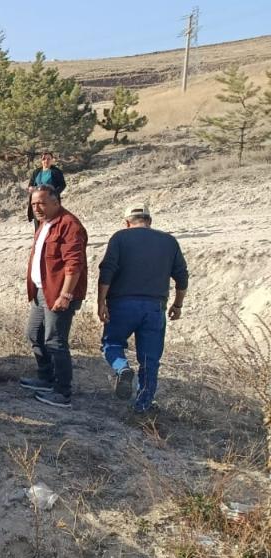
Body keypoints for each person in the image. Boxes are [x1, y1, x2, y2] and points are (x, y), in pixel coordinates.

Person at [96, 201, 189, 413]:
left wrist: (101, 302)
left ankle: (122, 368)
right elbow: (182, 277)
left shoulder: (120, 237)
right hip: (155, 307)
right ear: (150, 221)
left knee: (111, 344)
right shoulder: (169, 241)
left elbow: (107, 271)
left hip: (122, 304)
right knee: (150, 359)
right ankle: (143, 405)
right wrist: (178, 304)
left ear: (127, 222)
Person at [22, 185, 88, 409]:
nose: (37, 208)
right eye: (33, 204)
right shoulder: (44, 224)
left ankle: (63, 391)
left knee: (55, 341)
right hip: (42, 291)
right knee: (34, 333)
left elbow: (74, 264)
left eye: (41, 203)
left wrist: (66, 295)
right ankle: (45, 378)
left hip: (59, 293)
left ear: (56, 202)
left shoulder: (69, 225)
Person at [27, 151, 66, 224]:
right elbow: (30, 185)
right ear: (41, 160)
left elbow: (62, 185)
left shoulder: (56, 171)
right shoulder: (36, 172)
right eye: (44, 159)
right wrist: (31, 189)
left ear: (52, 160)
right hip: (37, 203)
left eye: (48, 159)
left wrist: (54, 194)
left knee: (50, 224)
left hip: (50, 202)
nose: (46, 161)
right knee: (38, 226)